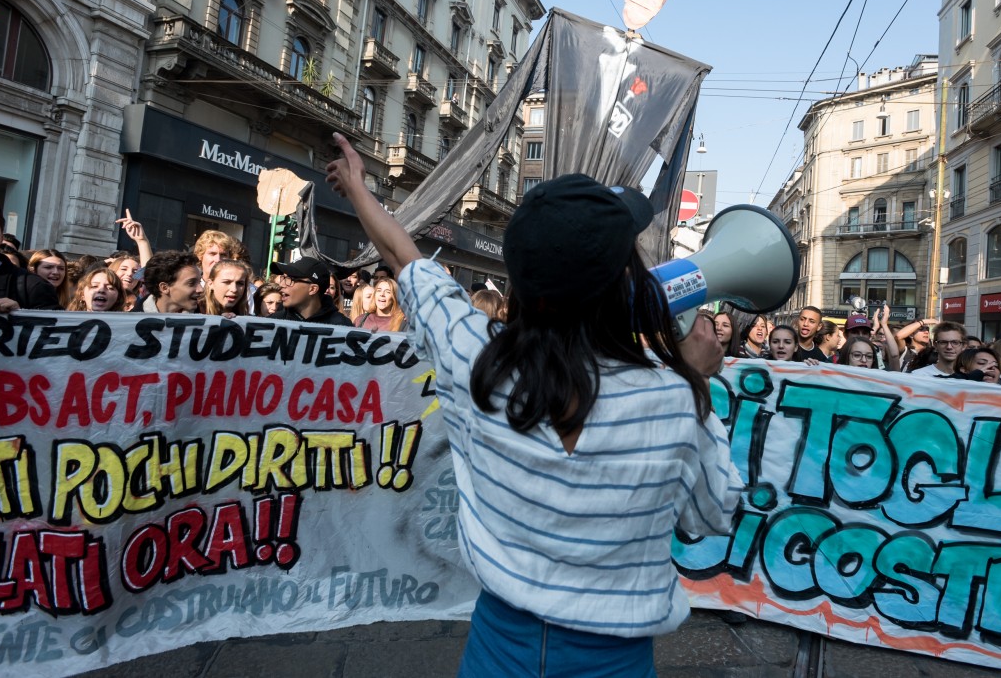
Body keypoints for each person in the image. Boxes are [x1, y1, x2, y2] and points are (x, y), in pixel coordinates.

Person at [325, 134, 741, 677]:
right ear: (622, 284)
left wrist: (358, 189)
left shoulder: (474, 356)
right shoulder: (675, 398)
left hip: (498, 649)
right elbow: (713, 513)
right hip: (614, 662)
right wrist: (698, 380)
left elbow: (405, 260)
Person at [269, 256, 352, 326]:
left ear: (313, 289)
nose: (281, 285)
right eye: (283, 278)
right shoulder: (272, 322)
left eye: (290, 279)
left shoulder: (341, 326)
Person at [134, 250, 205, 313]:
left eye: (199, 281)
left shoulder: (206, 319)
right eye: (191, 283)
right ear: (164, 288)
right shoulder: (131, 322)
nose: (201, 289)